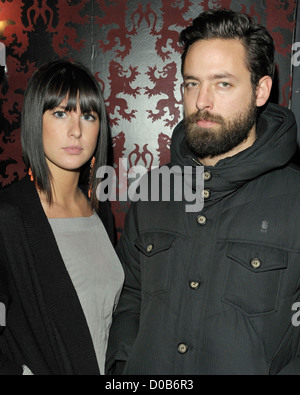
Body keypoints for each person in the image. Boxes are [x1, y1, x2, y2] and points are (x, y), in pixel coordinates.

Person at [106, 8, 300, 375]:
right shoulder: (153, 193)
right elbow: (130, 297)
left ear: (261, 90)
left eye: (222, 83)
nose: (201, 102)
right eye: (192, 83)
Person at [0, 60, 124, 375]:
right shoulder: (8, 216)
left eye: (88, 115)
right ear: (34, 121)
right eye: (60, 113)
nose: (76, 130)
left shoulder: (99, 210)